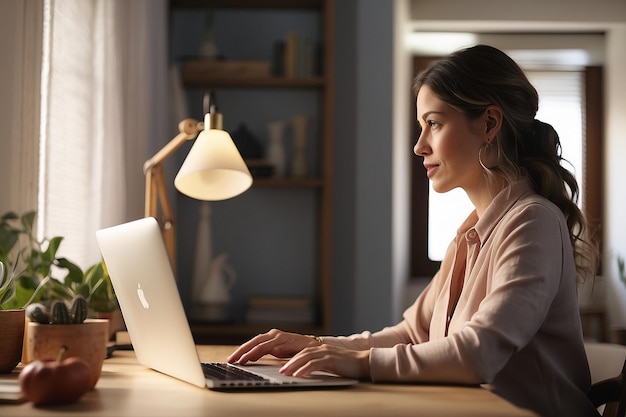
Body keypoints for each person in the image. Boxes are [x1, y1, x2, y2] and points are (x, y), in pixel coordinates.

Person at [227, 44, 599, 417]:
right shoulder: (471, 234)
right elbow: (411, 333)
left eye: (433, 124)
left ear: (489, 124)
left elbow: (477, 354)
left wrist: (360, 363)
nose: (419, 146)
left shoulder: (532, 221)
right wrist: (315, 344)